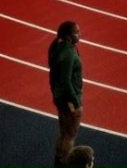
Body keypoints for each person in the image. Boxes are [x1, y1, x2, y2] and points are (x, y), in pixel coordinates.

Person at [48, 21, 83, 167]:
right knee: (69, 136)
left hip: (61, 98)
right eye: (76, 32)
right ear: (68, 36)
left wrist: (56, 95)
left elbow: (54, 77)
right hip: (68, 101)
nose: (79, 35)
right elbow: (65, 81)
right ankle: (65, 164)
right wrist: (75, 103)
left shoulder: (59, 48)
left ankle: (59, 162)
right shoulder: (68, 54)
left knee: (64, 134)